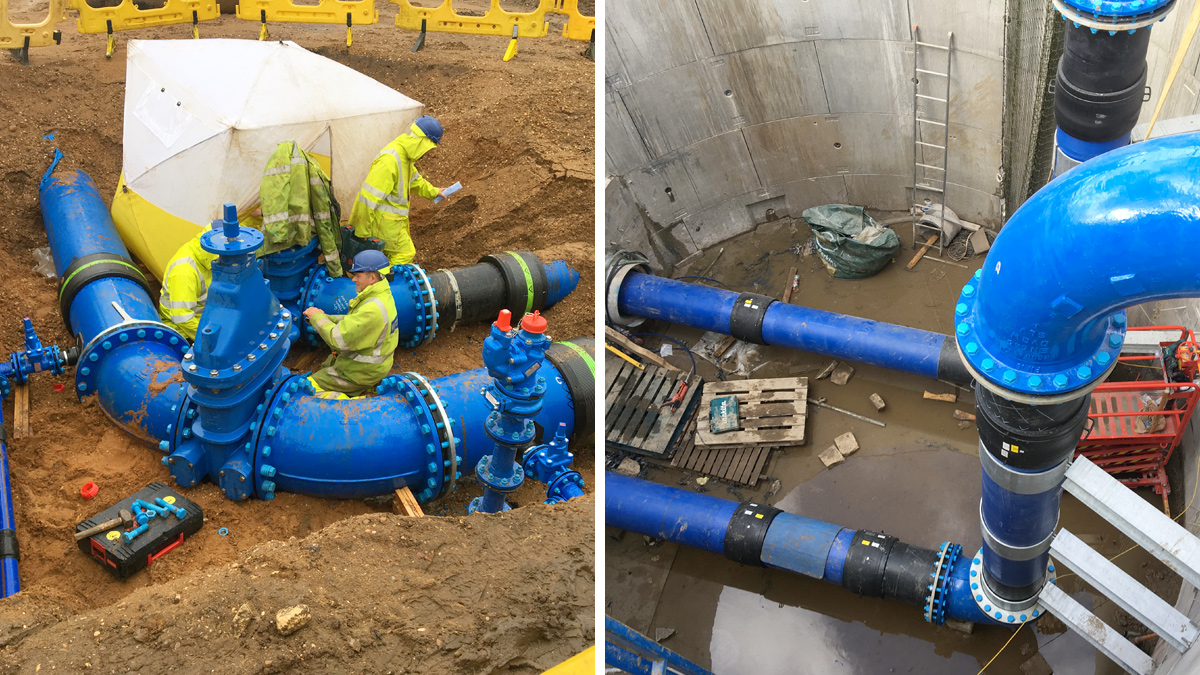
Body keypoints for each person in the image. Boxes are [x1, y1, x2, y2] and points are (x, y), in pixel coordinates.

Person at [348, 115, 450, 267]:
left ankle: (376, 275)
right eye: (428, 148)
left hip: (392, 225)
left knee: (388, 256)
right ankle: (378, 277)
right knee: (405, 253)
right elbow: (367, 199)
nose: (426, 154)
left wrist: (434, 192)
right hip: (381, 225)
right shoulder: (390, 160)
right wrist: (362, 233)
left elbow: (415, 181)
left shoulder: (405, 156)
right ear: (422, 143)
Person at [301, 250, 399, 398]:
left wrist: (316, 318)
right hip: (373, 367)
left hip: (360, 373)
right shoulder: (381, 295)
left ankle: (352, 405)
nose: (353, 280)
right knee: (328, 363)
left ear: (372, 278)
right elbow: (355, 321)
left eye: (358, 275)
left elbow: (337, 340)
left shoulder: (372, 310)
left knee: (306, 389)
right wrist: (326, 317)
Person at [158, 229, 218, 341]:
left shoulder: (203, 251)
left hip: (205, 317)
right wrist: (211, 339)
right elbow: (182, 317)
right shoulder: (184, 272)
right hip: (183, 332)